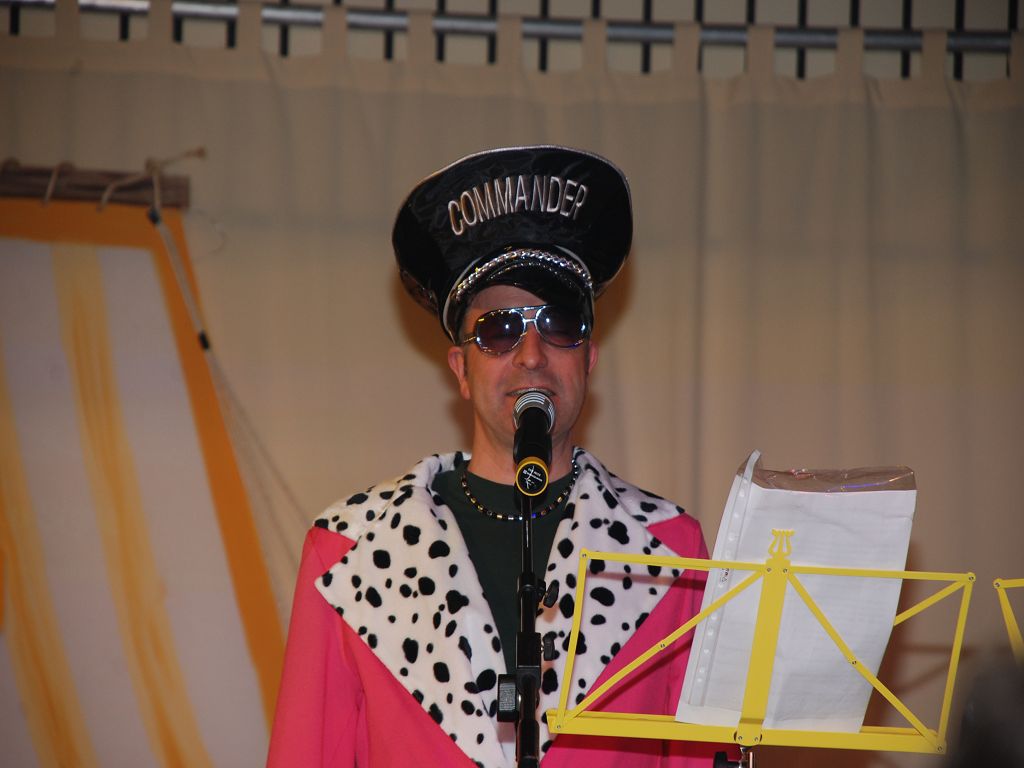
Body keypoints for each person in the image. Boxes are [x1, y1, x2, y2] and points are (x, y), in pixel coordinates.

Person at [267, 146, 719, 767]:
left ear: (589, 359)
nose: (532, 355)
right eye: (500, 330)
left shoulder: (670, 550)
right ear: (461, 368)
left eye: (559, 325)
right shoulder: (348, 551)